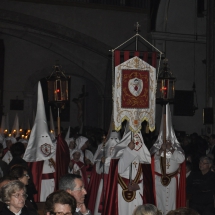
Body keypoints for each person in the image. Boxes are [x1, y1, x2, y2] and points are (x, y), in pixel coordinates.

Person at [103, 128, 154, 215]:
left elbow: (148, 182)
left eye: (138, 140)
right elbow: (119, 169)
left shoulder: (144, 159)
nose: (136, 142)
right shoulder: (120, 154)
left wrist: (139, 187)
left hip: (138, 193)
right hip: (121, 191)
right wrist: (128, 150)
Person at [150, 104, 186, 215]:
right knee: (159, 203)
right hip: (159, 180)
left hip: (172, 180)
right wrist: (161, 150)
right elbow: (151, 159)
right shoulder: (156, 148)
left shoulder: (177, 148)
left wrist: (171, 148)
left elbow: (181, 159)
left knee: (172, 204)